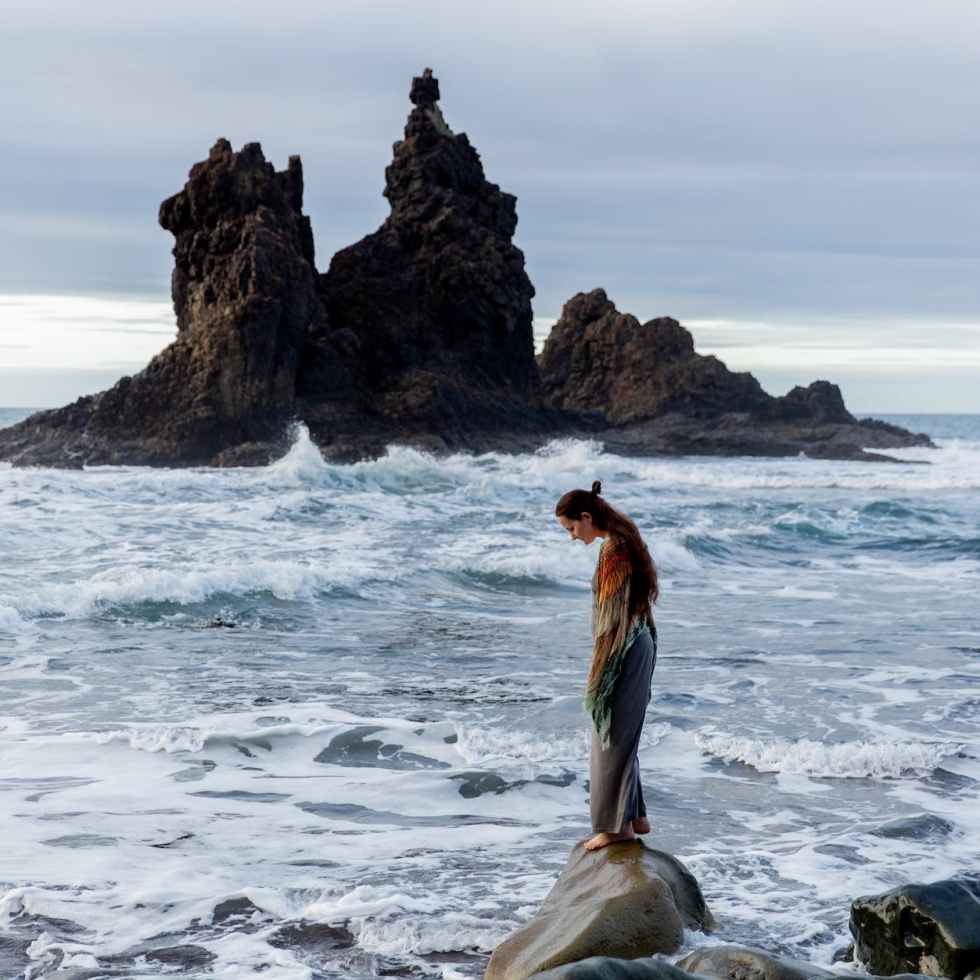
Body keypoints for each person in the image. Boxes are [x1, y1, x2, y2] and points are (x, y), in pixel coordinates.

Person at [555, 479, 658, 852]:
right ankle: (635, 816)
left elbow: (612, 616)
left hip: (625, 648)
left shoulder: (613, 549)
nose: (571, 537)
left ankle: (617, 829)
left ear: (586, 517)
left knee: (609, 734)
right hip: (638, 643)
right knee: (621, 733)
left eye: (571, 528)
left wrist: (600, 668)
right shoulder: (624, 538)